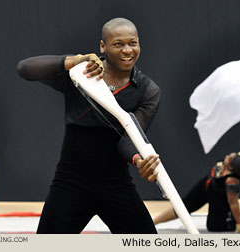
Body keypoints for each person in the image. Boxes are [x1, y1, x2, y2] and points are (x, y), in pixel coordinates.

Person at [17, 17, 161, 234]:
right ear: (103, 46)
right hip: (70, 184)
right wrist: (75, 61)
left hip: (116, 186)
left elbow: (127, 141)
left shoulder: (147, 90)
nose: (127, 50)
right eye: (118, 44)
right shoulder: (81, 74)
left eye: (133, 43)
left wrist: (139, 160)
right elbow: (25, 69)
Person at [153, 123, 240, 233]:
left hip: (218, 195)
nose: (228, 155)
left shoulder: (232, 181)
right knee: (182, 207)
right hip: (206, 184)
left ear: (230, 167)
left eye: (228, 158)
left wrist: (239, 224)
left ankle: (235, 219)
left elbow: (234, 203)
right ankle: (153, 222)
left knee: (215, 227)